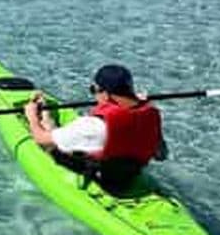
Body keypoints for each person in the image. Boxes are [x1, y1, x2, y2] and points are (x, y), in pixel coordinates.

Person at [24, 63, 165, 194]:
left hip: (100, 174)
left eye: (94, 90)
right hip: (130, 172)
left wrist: (31, 117)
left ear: (106, 94)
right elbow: (160, 155)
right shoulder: (151, 114)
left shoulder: (93, 126)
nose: (94, 95)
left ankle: (46, 117)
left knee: (51, 145)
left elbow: (40, 139)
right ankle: (47, 116)